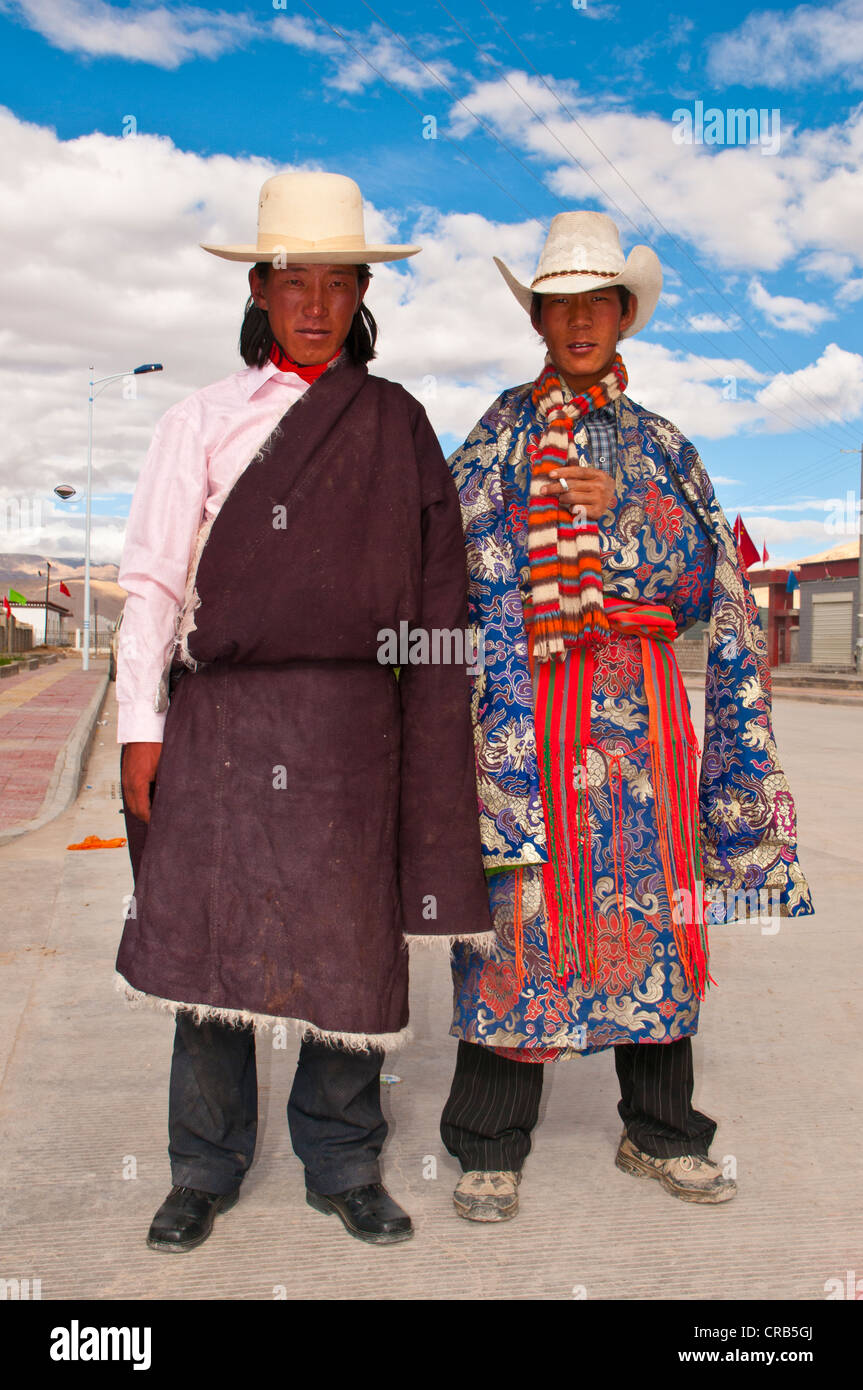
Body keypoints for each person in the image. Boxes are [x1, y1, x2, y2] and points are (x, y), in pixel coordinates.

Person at [115, 170, 492, 1250]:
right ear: (261, 291)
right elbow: (152, 581)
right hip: (222, 724)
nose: (314, 305)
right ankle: (202, 1166)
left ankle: (341, 1162)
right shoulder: (198, 420)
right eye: (293, 283)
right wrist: (143, 723)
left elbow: (436, 597)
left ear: (363, 292)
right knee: (205, 951)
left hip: (349, 732)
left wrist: (430, 738)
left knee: (349, 947)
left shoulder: (397, 424)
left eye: (336, 283)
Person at [440, 211, 814, 1221]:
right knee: (516, 914)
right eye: (557, 305)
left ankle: (660, 1131)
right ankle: (485, 1139)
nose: (576, 322)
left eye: (593, 304)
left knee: (648, 908)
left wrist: (623, 513)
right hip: (523, 722)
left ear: (622, 314)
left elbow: (703, 586)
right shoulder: (496, 435)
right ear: (539, 317)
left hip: (634, 726)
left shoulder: (659, 446)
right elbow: (453, 559)